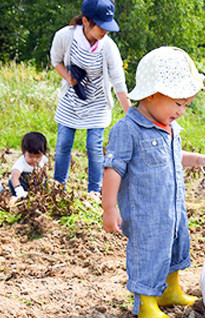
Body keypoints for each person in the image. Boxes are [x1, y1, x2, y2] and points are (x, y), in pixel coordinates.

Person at [101, 46, 205, 318]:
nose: (182, 111)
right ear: (152, 94)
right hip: (147, 214)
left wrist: (198, 158)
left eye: (186, 106)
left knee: (177, 244)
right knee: (149, 253)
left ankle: (170, 290)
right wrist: (109, 209)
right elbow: (113, 169)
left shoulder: (170, 127)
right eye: (178, 104)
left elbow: (174, 156)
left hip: (174, 208)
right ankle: (145, 303)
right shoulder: (128, 129)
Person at [50, 0, 131, 199]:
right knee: (63, 144)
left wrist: (130, 114)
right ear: (86, 21)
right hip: (71, 98)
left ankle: (94, 191)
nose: (106, 31)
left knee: (94, 147)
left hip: (98, 102)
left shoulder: (108, 47)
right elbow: (56, 60)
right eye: (101, 26)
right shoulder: (65, 36)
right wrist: (69, 78)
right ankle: (58, 187)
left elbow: (118, 81)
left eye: (108, 27)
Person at [8, 132, 49, 198]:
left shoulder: (44, 159)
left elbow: (44, 171)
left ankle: (42, 195)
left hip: (36, 182)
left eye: (38, 157)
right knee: (12, 181)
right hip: (22, 184)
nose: (34, 159)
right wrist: (19, 190)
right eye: (31, 156)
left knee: (45, 179)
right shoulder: (21, 163)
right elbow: (14, 177)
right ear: (24, 152)